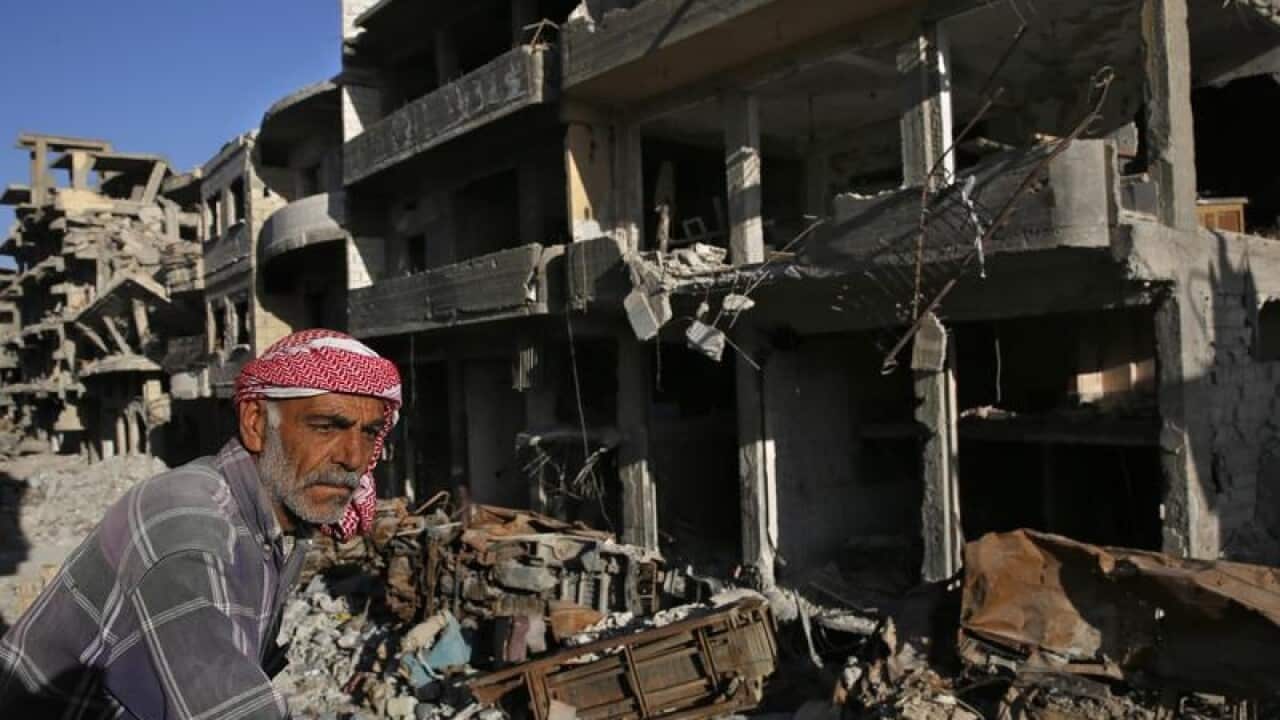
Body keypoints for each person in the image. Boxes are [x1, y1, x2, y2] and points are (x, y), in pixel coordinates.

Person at [0, 329, 401, 718]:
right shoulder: (187, 523)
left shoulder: (272, 530)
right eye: (326, 427)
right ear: (257, 423)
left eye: (369, 433)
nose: (353, 456)